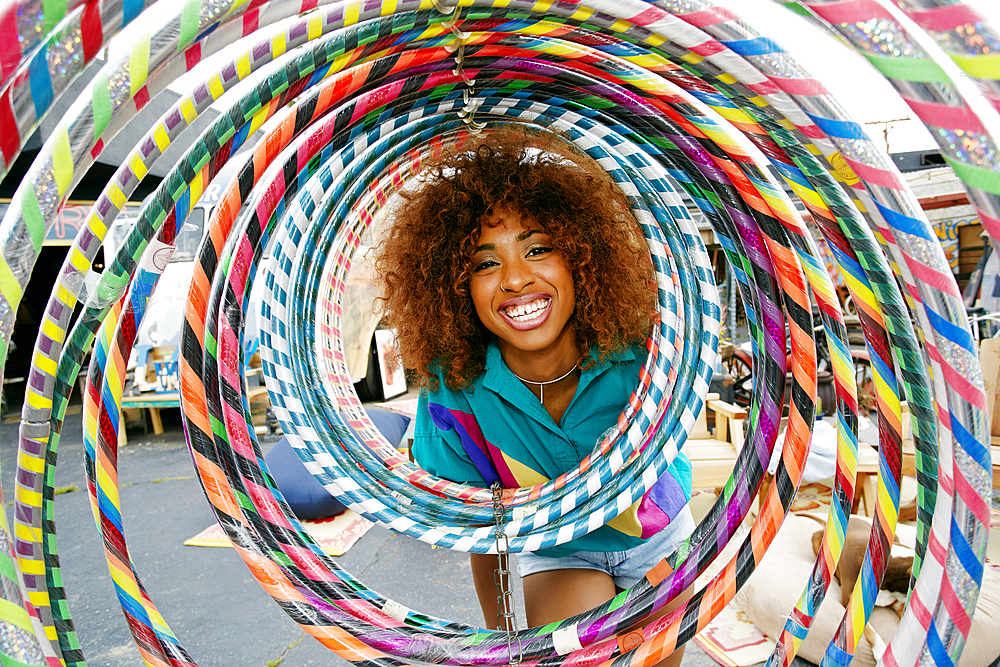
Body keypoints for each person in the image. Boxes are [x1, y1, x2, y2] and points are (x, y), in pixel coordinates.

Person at [375, 126, 694, 667]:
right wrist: (506, 645)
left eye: (538, 249)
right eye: (485, 262)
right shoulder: (453, 393)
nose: (516, 279)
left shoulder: (645, 347)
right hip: (560, 553)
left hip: (661, 534)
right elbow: (480, 525)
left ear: (580, 257)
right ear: (454, 285)